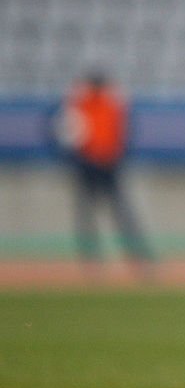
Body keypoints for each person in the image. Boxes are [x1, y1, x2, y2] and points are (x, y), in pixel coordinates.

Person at [57, 70, 154, 270]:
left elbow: (122, 132)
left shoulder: (107, 103)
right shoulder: (82, 103)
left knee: (119, 213)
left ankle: (135, 256)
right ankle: (93, 258)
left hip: (107, 163)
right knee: (92, 213)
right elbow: (70, 133)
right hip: (90, 164)